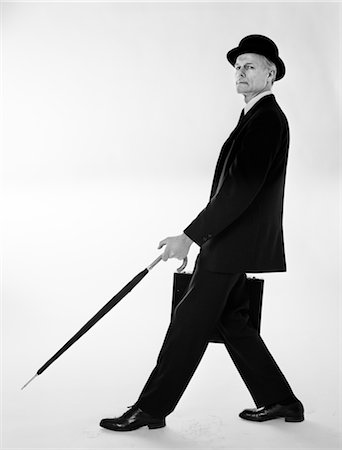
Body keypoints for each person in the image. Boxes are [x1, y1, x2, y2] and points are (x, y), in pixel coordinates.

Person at [99, 34, 304, 431]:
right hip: (230, 242)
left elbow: (239, 191)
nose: (240, 72)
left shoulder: (267, 120)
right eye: (237, 67)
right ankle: (282, 401)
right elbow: (235, 190)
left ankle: (151, 410)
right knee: (234, 323)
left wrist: (190, 236)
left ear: (271, 72)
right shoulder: (255, 117)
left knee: (187, 325)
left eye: (250, 65)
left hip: (230, 245)